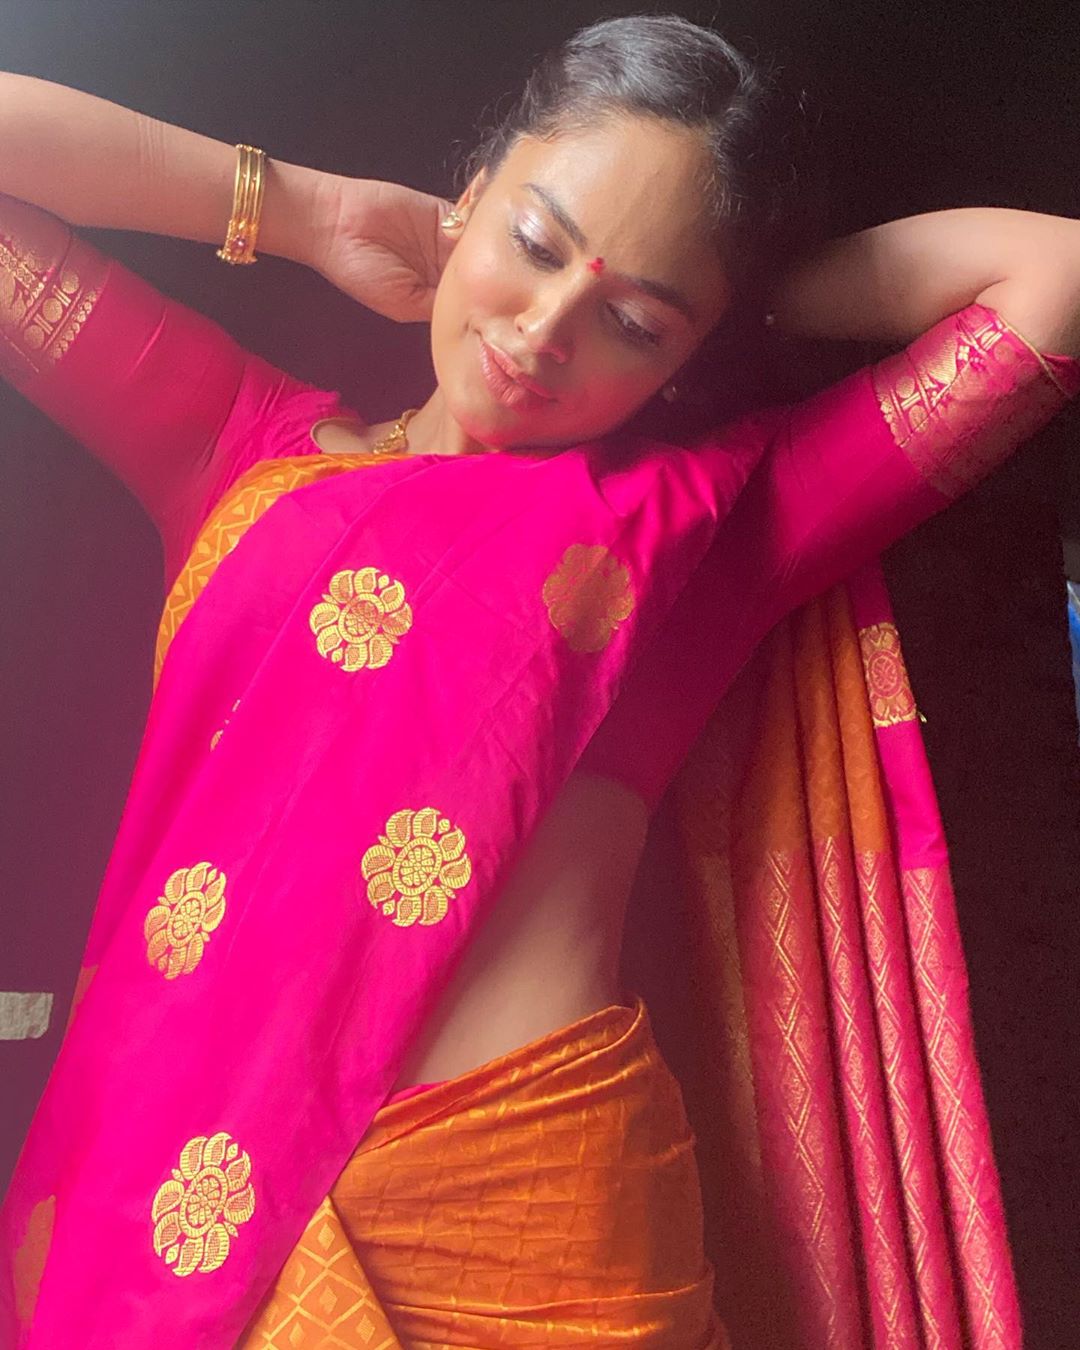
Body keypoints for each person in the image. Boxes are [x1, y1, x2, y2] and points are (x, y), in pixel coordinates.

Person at [2, 12, 1079, 1347]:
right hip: (168, 1191)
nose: (544, 328)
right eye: (534, 240)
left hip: (526, 1228)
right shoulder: (243, 449)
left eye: (631, 320)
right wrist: (302, 210)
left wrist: (737, 297)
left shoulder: (708, 527)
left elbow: (1051, 282)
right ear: (470, 193)